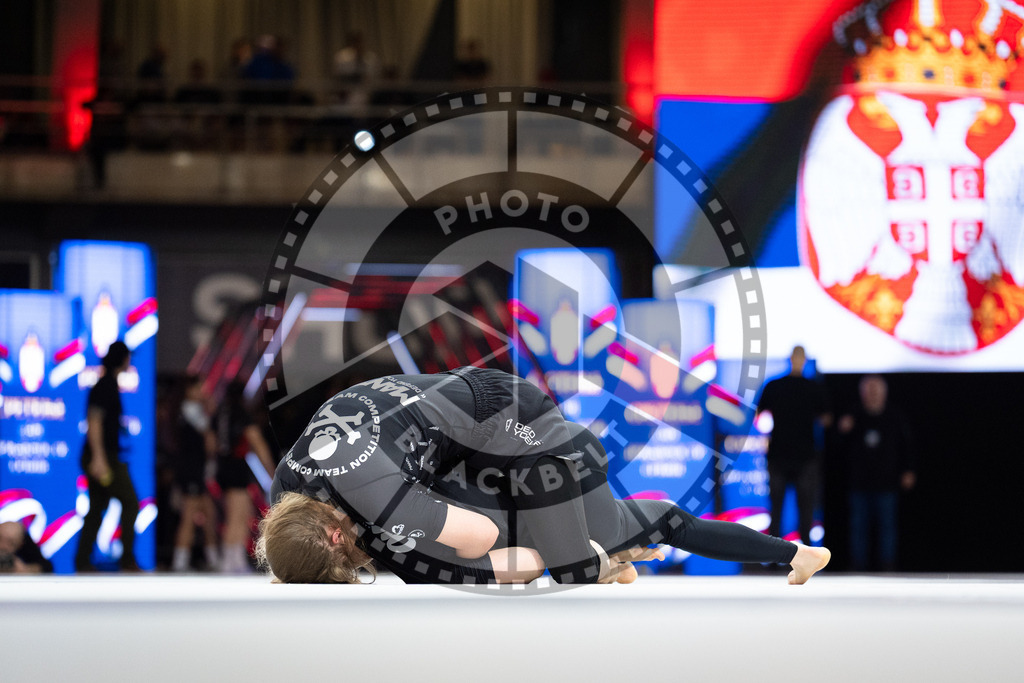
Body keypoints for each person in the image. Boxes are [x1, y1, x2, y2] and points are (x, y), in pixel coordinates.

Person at [256, 367, 830, 584]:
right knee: (419, 555)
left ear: (335, 531)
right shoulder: (287, 489)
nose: (360, 566)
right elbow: (298, 549)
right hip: (454, 435)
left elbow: (480, 539)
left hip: (511, 417)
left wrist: (550, 559)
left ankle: (791, 553)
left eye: (348, 562)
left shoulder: (376, 490)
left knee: (573, 561)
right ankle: (606, 549)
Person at [837, 374, 915, 571]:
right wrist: (843, 430)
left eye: (876, 390)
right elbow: (838, 446)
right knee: (858, 527)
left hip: (887, 482)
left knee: (887, 527)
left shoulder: (894, 416)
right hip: (859, 482)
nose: (873, 394)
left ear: (884, 393)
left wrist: (908, 470)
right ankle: (858, 566)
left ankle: (888, 565)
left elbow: (906, 446)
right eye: (869, 390)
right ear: (862, 393)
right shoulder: (854, 415)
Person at [755, 346, 831, 546]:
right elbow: (759, 415)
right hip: (781, 455)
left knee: (805, 512)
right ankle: (774, 555)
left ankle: (803, 553)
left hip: (803, 457)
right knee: (778, 511)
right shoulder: (777, 385)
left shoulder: (810, 387)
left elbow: (826, 418)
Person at [75, 341, 140, 572]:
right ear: (121, 359)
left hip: (104, 456)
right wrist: (99, 458)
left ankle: (83, 560)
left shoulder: (108, 384)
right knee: (130, 502)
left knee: (97, 506)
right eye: (128, 357)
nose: (130, 361)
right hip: (104, 459)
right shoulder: (104, 386)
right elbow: (94, 422)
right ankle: (127, 560)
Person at [214, 380, 276, 573]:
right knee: (237, 515)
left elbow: (211, 442)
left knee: (243, 513)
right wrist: (271, 471)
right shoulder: (242, 414)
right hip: (237, 469)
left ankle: (236, 558)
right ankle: (230, 560)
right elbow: (258, 444)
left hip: (224, 467)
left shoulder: (221, 414)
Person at [170, 375, 221, 572]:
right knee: (190, 514)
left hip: (195, 470)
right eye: (199, 388)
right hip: (191, 470)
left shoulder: (188, 410)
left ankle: (212, 558)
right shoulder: (191, 410)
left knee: (209, 513)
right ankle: (180, 562)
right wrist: (211, 413)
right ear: (189, 390)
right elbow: (210, 443)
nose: (203, 393)